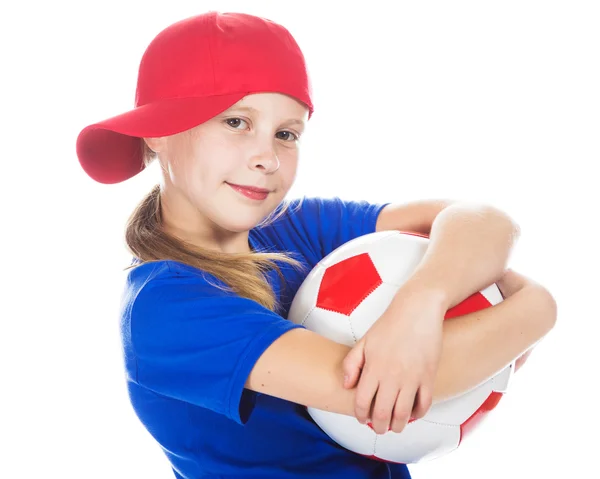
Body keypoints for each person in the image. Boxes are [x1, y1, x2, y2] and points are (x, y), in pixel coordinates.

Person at [75, 11, 557, 479]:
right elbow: (396, 388)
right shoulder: (166, 307)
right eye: (236, 122)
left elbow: (478, 220)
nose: (266, 157)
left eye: (286, 133)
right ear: (160, 131)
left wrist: (421, 301)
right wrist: (539, 307)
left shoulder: (298, 228)